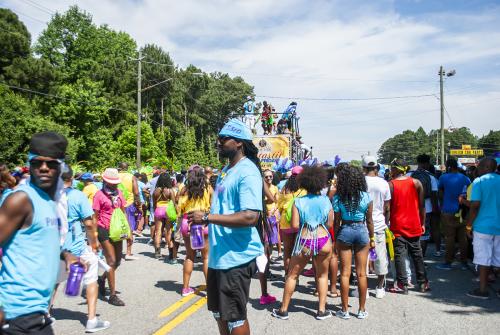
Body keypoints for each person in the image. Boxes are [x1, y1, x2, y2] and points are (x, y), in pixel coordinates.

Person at [188, 118, 264, 335]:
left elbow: (250, 217)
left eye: (224, 138)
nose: (218, 142)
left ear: (239, 142)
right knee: (219, 313)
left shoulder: (247, 171)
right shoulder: (226, 170)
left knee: (235, 317)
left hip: (236, 257)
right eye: (218, 138)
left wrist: (208, 218)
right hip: (219, 256)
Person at [0, 131, 78, 334]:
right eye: (37, 163)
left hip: (38, 314)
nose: (44, 168)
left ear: (60, 166)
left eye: (51, 164)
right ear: (29, 164)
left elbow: (36, 241)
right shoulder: (21, 200)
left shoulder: (48, 200)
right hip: (14, 315)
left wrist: (65, 254)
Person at [52, 167, 110, 332]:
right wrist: (93, 243)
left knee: (54, 282)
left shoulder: (49, 196)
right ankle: (91, 320)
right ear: (71, 178)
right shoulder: (78, 196)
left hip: (55, 248)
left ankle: (44, 315)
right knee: (91, 279)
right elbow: (89, 223)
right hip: (76, 246)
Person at [272, 166, 334, 320]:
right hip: (323, 240)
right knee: (322, 276)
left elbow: (294, 225)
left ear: (303, 182)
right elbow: (330, 224)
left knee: (292, 275)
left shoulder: (298, 202)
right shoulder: (326, 200)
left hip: (305, 240)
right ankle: (321, 310)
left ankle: (283, 310)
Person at [333, 165, 374, 320]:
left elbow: (337, 221)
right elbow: (369, 220)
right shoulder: (366, 196)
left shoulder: (338, 197)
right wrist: (372, 238)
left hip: (345, 230)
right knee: (362, 274)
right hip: (362, 231)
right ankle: (362, 310)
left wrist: (335, 239)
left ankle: (344, 310)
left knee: (344, 273)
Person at [389, 159, 430, 294]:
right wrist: (422, 223)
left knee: (400, 254)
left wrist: (386, 223)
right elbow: (422, 206)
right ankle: (423, 283)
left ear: (396, 169)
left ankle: (402, 284)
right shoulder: (416, 183)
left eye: (391, 168)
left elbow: (387, 208)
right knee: (417, 254)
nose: (390, 170)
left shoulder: (391, 185)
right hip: (414, 224)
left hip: (397, 224)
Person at [466, 158, 500, 299]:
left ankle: (482, 290)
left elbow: (475, 206)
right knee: (499, 259)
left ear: (486, 167)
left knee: (483, 259)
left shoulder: (479, 182)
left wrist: (468, 225)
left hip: (482, 227)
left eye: (479, 166)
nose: (477, 169)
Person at [94, 168, 127, 306]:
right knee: (111, 261)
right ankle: (112, 295)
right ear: (105, 181)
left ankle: (102, 279)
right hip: (104, 229)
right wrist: (95, 237)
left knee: (117, 261)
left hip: (117, 229)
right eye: (111, 182)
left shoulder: (119, 193)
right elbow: (94, 217)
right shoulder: (99, 195)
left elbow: (123, 211)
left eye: (115, 183)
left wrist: (127, 231)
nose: (114, 185)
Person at [178, 168, 212, 296]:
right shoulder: (207, 187)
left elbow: (179, 206)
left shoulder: (184, 189)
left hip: (187, 222)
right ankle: (210, 289)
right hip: (202, 221)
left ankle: (185, 288)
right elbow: (213, 202)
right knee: (206, 257)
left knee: (189, 256)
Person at [362, 156, 390, 299]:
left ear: (364, 168)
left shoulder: (360, 182)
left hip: (362, 224)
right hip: (379, 223)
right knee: (380, 256)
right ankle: (379, 287)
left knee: (362, 258)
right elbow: (387, 206)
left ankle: (364, 289)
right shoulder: (384, 183)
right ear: (376, 168)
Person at [437, 158, 471, 270]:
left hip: (448, 210)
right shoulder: (466, 179)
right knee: (463, 238)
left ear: (448, 166)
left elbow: (440, 193)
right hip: (463, 211)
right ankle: (464, 262)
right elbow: (469, 194)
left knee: (449, 237)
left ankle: (448, 262)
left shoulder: (443, 177)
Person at [277, 166, 306, 277]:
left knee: (287, 250)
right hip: (299, 222)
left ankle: (287, 274)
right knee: (297, 250)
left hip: (285, 222)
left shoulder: (285, 189)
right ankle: (294, 276)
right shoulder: (304, 189)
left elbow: (279, 205)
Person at [408, 154, 439, 257]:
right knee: (423, 233)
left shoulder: (409, 176)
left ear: (418, 162)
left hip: (410, 208)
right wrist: (435, 209)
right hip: (427, 209)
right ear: (427, 163)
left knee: (410, 232)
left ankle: (411, 255)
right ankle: (421, 258)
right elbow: (434, 195)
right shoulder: (431, 177)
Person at [117, 163, 141, 260]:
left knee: (117, 227)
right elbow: (136, 192)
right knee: (129, 227)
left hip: (116, 205)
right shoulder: (132, 177)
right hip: (128, 204)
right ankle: (128, 252)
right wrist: (138, 204)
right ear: (127, 168)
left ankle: (117, 252)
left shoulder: (115, 176)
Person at [152, 173, 177, 262]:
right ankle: (170, 252)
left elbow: (154, 203)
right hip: (168, 211)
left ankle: (157, 252)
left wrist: (156, 211)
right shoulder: (170, 191)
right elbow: (174, 203)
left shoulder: (156, 191)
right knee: (168, 231)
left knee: (158, 231)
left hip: (158, 210)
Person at [264, 169, 282, 261]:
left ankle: (277, 253)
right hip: (264, 214)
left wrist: (274, 210)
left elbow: (277, 202)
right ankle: (268, 255)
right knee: (266, 236)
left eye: (270, 176)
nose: (269, 178)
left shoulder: (275, 188)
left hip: (273, 214)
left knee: (275, 233)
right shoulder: (261, 188)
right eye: (266, 177)